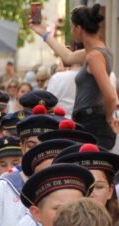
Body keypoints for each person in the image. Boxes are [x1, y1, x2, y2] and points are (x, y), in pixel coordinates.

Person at [31, 4, 117, 148]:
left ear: (79, 29)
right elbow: (68, 56)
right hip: (91, 122)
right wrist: (43, 32)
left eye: (71, 27)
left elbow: (111, 96)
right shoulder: (97, 52)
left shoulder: (94, 56)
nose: (71, 32)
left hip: (94, 124)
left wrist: (109, 118)